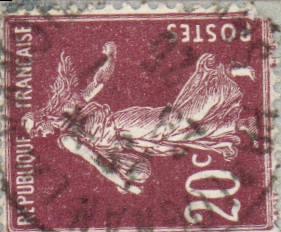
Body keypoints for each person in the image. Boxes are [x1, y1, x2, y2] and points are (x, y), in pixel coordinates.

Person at [23, 42, 254, 194]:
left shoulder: (68, 134)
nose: (40, 135)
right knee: (178, 134)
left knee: (176, 122)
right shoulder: (68, 119)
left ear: (42, 119)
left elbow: (97, 161)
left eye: (36, 130)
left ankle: (223, 75)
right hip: (126, 138)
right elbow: (98, 84)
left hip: (123, 125)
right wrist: (111, 58)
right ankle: (239, 123)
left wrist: (125, 184)